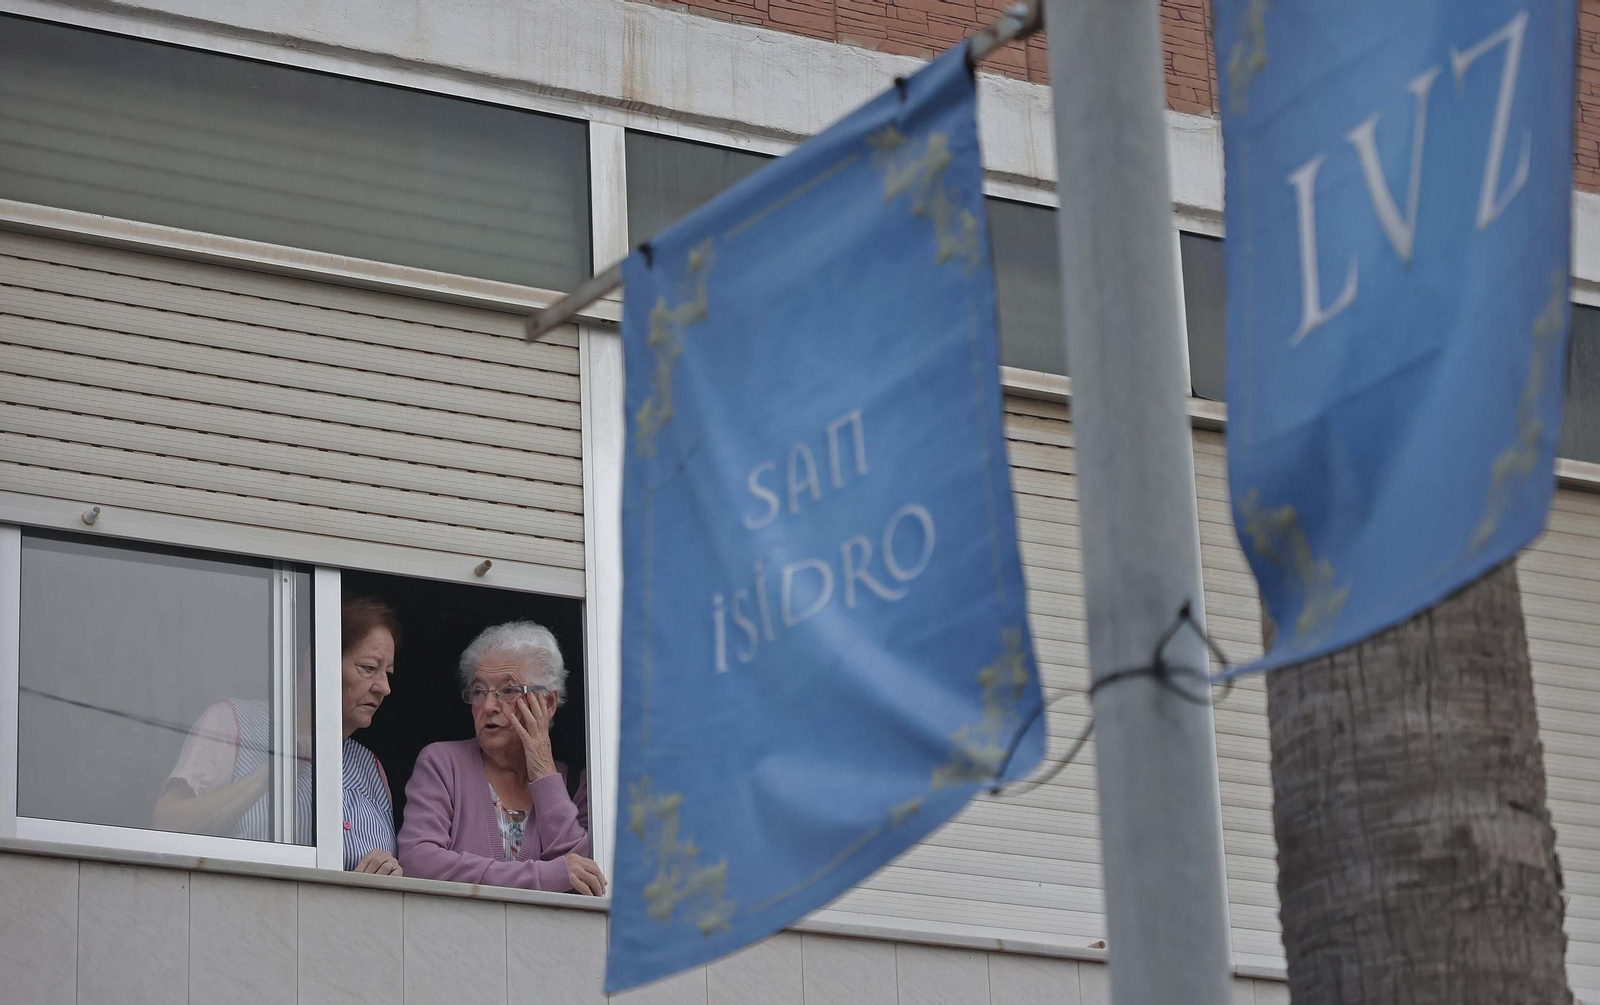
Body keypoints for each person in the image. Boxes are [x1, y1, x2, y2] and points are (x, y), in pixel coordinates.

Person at [154, 596, 404, 876]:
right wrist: (275, 771)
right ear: (316, 663)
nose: (384, 687)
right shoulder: (233, 723)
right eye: (369, 668)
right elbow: (168, 826)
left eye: (388, 673)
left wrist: (385, 873)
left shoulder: (369, 767)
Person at [398, 621, 606, 894]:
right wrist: (543, 876)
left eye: (508, 690)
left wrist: (544, 771)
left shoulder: (576, 787)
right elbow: (418, 862)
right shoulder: (442, 764)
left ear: (549, 703)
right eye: (479, 691)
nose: (488, 706)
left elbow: (585, 879)